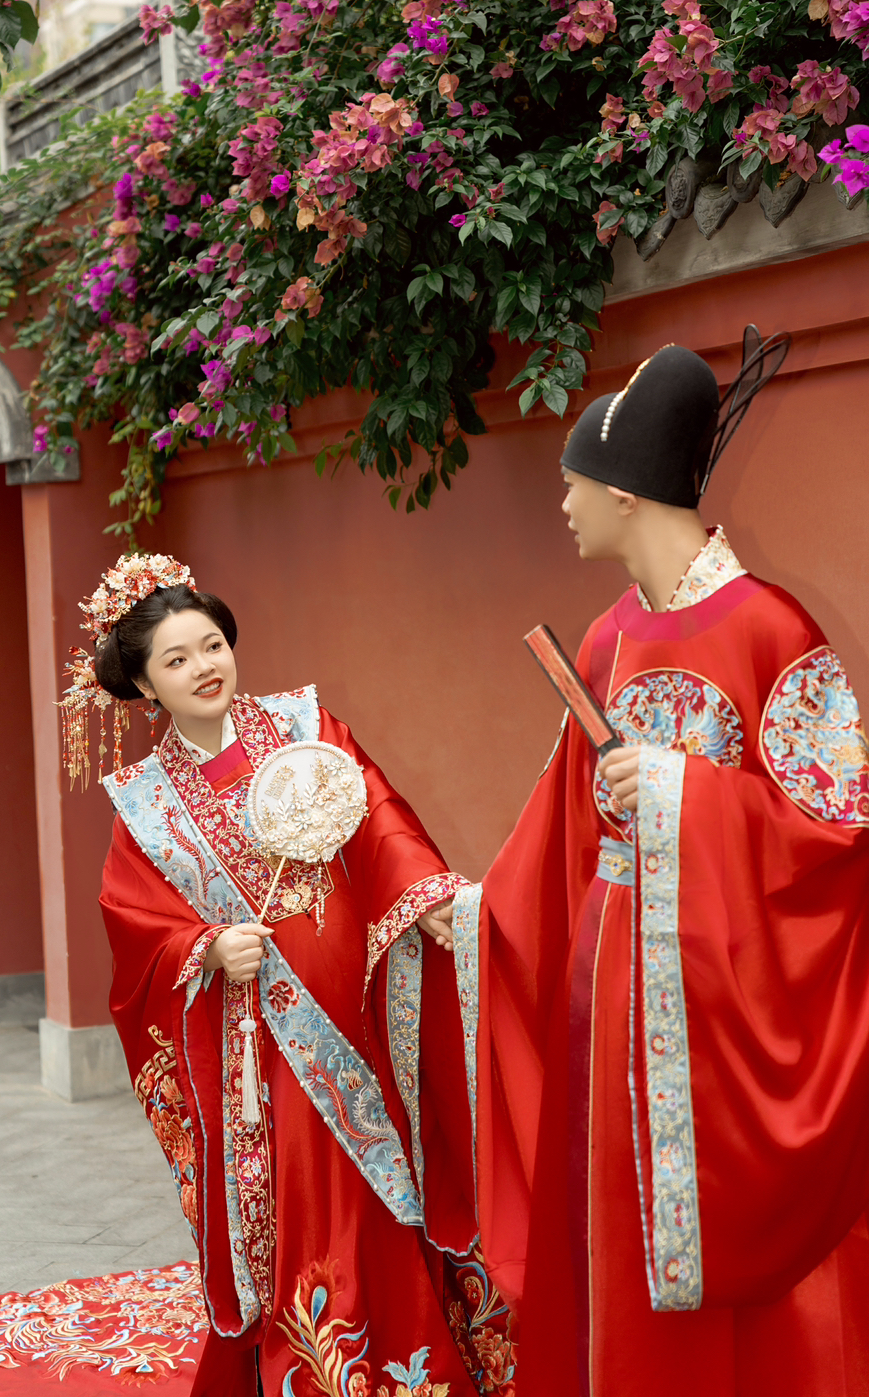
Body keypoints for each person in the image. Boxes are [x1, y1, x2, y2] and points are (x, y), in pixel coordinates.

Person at [447, 337, 869, 1396]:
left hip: (732, 1005)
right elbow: (559, 832)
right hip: (608, 987)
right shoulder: (605, 640)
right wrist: (467, 915)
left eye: (574, 484)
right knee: (612, 1213)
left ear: (626, 491)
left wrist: (685, 794)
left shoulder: (774, 628)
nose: (564, 506)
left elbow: (841, 825)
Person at [59, 554, 516, 1397]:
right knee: (318, 1196)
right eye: (177, 660)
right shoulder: (146, 802)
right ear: (146, 686)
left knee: (401, 1165)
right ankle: (337, 1372)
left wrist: (421, 892)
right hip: (267, 1038)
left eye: (212, 645)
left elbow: (378, 820)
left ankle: (435, 1352)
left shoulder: (306, 727)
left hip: (364, 998)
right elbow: (135, 922)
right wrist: (205, 948)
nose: (205, 667)